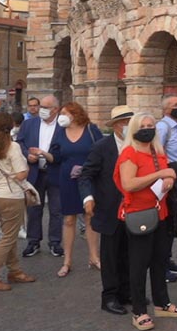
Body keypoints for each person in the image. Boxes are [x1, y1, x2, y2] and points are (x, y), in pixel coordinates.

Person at [115, 111, 177, 331]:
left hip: (160, 212)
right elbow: (129, 184)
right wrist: (159, 175)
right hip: (139, 214)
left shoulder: (157, 151)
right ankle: (138, 310)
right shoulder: (129, 154)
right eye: (143, 125)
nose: (147, 128)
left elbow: (166, 174)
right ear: (134, 129)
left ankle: (162, 303)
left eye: (151, 125)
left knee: (159, 260)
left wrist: (168, 179)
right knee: (139, 263)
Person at [79, 105, 134, 314]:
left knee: (129, 253)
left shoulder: (138, 146)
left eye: (130, 121)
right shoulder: (102, 147)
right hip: (110, 208)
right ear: (116, 126)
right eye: (124, 122)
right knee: (110, 255)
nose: (128, 125)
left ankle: (127, 291)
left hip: (133, 209)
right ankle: (109, 296)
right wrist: (88, 198)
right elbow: (86, 175)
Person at [0, 112, 37, 291]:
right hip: (11, 196)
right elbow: (22, 173)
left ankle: (15, 271)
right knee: (8, 237)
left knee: (8, 234)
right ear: (11, 126)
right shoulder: (13, 147)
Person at [48, 102, 101, 277]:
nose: (61, 116)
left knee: (90, 217)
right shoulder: (60, 132)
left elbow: (101, 153)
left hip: (88, 178)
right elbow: (55, 156)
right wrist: (42, 154)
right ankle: (67, 261)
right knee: (69, 219)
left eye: (64, 112)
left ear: (75, 114)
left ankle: (94, 257)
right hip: (67, 179)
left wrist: (87, 167)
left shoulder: (91, 130)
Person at [17, 95, 63, 258]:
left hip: (55, 172)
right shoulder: (29, 124)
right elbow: (20, 142)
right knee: (34, 208)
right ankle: (33, 241)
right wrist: (26, 154)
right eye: (41, 106)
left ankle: (55, 242)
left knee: (56, 209)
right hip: (35, 171)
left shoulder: (63, 126)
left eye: (45, 107)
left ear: (56, 109)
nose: (41, 110)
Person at [156, 95, 177, 278]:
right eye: (175, 105)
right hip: (168, 179)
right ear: (166, 109)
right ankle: (161, 265)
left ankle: (167, 259)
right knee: (167, 221)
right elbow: (157, 153)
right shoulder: (163, 127)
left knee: (173, 221)